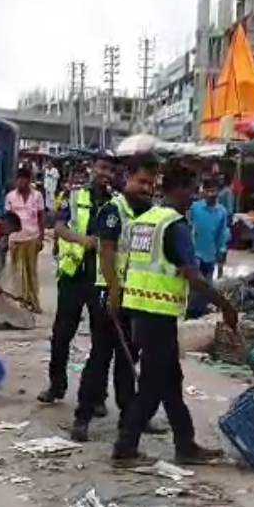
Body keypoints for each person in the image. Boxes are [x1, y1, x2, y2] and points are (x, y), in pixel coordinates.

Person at [112, 165, 239, 467]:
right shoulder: (174, 225)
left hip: (139, 310)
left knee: (170, 381)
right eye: (191, 191)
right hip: (158, 314)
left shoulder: (144, 222)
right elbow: (193, 276)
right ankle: (125, 446)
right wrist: (225, 305)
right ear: (178, 189)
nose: (193, 199)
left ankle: (185, 443)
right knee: (154, 384)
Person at [71, 156, 158, 442]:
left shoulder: (149, 213)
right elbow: (106, 252)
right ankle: (82, 418)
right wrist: (114, 290)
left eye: (151, 183)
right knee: (100, 357)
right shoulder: (113, 210)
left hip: (134, 297)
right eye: (141, 181)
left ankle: (128, 420)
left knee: (128, 360)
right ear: (127, 180)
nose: (147, 187)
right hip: (108, 294)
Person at [38, 154, 115, 406]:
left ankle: (97, 396)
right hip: (73, 276)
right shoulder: (73, 195)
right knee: (61, 335)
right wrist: (84, 241)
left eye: (110, 170)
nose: (105, 174)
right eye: (102, 167)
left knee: (102, 340)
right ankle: (56, 386)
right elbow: (59, 228)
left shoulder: (117, 202)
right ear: (92, 168)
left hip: (101, 279)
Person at [188, 179, 230, 318]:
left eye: (213, 191)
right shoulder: (195, 208)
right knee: (195, 282)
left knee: (208, 283)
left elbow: (222, 234)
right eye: (208, 190)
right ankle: (191, 309)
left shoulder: (222, 212)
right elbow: (188, 226)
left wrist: (221, 254)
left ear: (218, 192)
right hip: (195, 252)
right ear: (203, 192)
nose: (211, 194)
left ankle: (201, 309)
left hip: (211, 253)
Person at [5, 165, 45, 313]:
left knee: (31, 272)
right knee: (17, 272)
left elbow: (41, 217)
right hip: (16, 239)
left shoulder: (37, 196)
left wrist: (41, 237)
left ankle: (33, 301)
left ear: (29, 181)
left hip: (32, 237)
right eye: (18, 180)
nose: (21, 183)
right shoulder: (10, 196)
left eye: (24, 180)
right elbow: (7, 219)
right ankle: (20, 300)